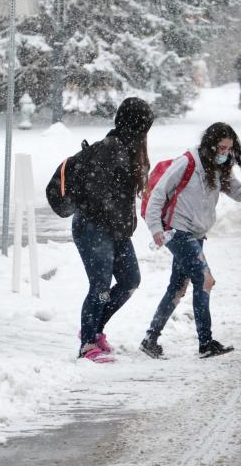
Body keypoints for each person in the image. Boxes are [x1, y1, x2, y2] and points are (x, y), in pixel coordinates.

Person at [141, 122, 241, 359]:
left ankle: (150, 338)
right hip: (177, 231)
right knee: (204, 280)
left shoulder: (219, 169)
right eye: (220, 148)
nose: (224, 153)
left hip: (196, 234)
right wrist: (155, 228)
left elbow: (239, 194)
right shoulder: (187, 162)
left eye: (228, 149)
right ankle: (205, 342)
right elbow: (158, 193)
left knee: (177, 287)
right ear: (209, 144)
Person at [71, 97, 154, 363]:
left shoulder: (130, 149)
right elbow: (96, 193)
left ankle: (94, 330)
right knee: (100, 286)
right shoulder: (110, 149)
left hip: (116, 229)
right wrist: (110, 213)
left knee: (130, 280)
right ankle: (86, 345)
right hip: (93, 227)